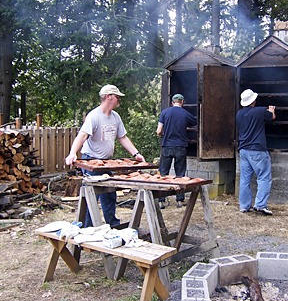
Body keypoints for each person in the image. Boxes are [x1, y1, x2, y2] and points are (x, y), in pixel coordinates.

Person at [65, 84, 145, 227]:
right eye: (117, 97)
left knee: (109, 193)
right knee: (92, 194)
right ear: (109, 97)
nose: (119, 100)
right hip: (91, 161)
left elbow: (123, 137)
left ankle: (112, 225)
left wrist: (136, 153)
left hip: (106, 162)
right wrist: (72, 153)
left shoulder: (115, 117)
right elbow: (82, 136)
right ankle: (88, 228)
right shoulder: (94, 116)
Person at [236, 89, 276, 215]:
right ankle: (260, 205)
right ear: (253, 100)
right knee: (264, 177)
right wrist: (272, 109)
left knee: (244, 179)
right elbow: (271, 117)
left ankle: (244, 206)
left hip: (243, 150)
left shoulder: (239, 114)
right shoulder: (259, 111)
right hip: (257, 150)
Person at [156, 93, 197, 208]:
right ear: (182, 102)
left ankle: (161, 201)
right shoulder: (186, 114)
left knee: (163, 173)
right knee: (180, 174)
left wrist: (164, 135)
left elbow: (159, 131)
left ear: (172, 102)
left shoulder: (164, 113)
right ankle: (179, 200)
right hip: (180, 146)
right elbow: (194, 123)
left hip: (167, 146)